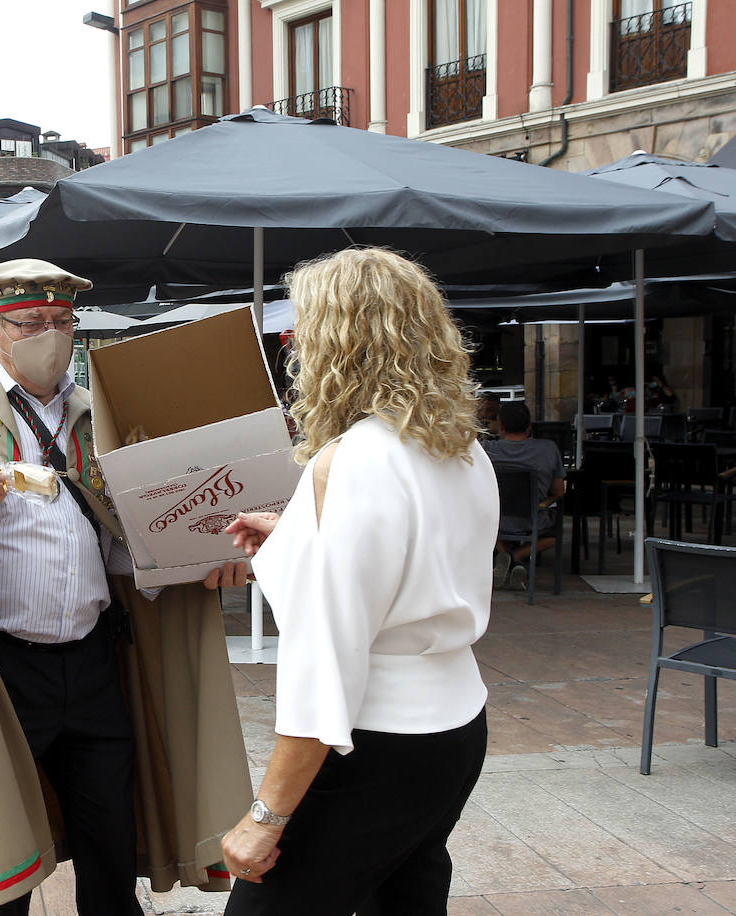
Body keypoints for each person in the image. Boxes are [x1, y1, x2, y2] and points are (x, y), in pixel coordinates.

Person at [0, 259, 249, 915]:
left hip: (95, 661)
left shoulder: (102, 412)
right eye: (31, 322)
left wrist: (200, 556)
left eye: (62, 323)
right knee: (0, 854)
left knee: (110, 848)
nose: (50, 335)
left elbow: (139, 531)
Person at [208, 248, 496, 915]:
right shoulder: (458, 445)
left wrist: (265, 817)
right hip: (455, 728)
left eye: (304, 328)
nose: (296, 344)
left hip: (375, 743)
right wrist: (297, 537)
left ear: (340, 341)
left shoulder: (355, 459)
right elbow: (423, 562)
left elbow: (326, 661)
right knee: (407, 898)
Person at [484, 401, 566, 589]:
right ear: (530, 426)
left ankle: (505, 557)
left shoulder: (488, 449)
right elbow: (558, 491)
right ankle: (515, 557)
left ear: (501, 426)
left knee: (490, 525)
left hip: (497, 519)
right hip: (533, 519)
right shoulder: (548, 449)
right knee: (554, 535)